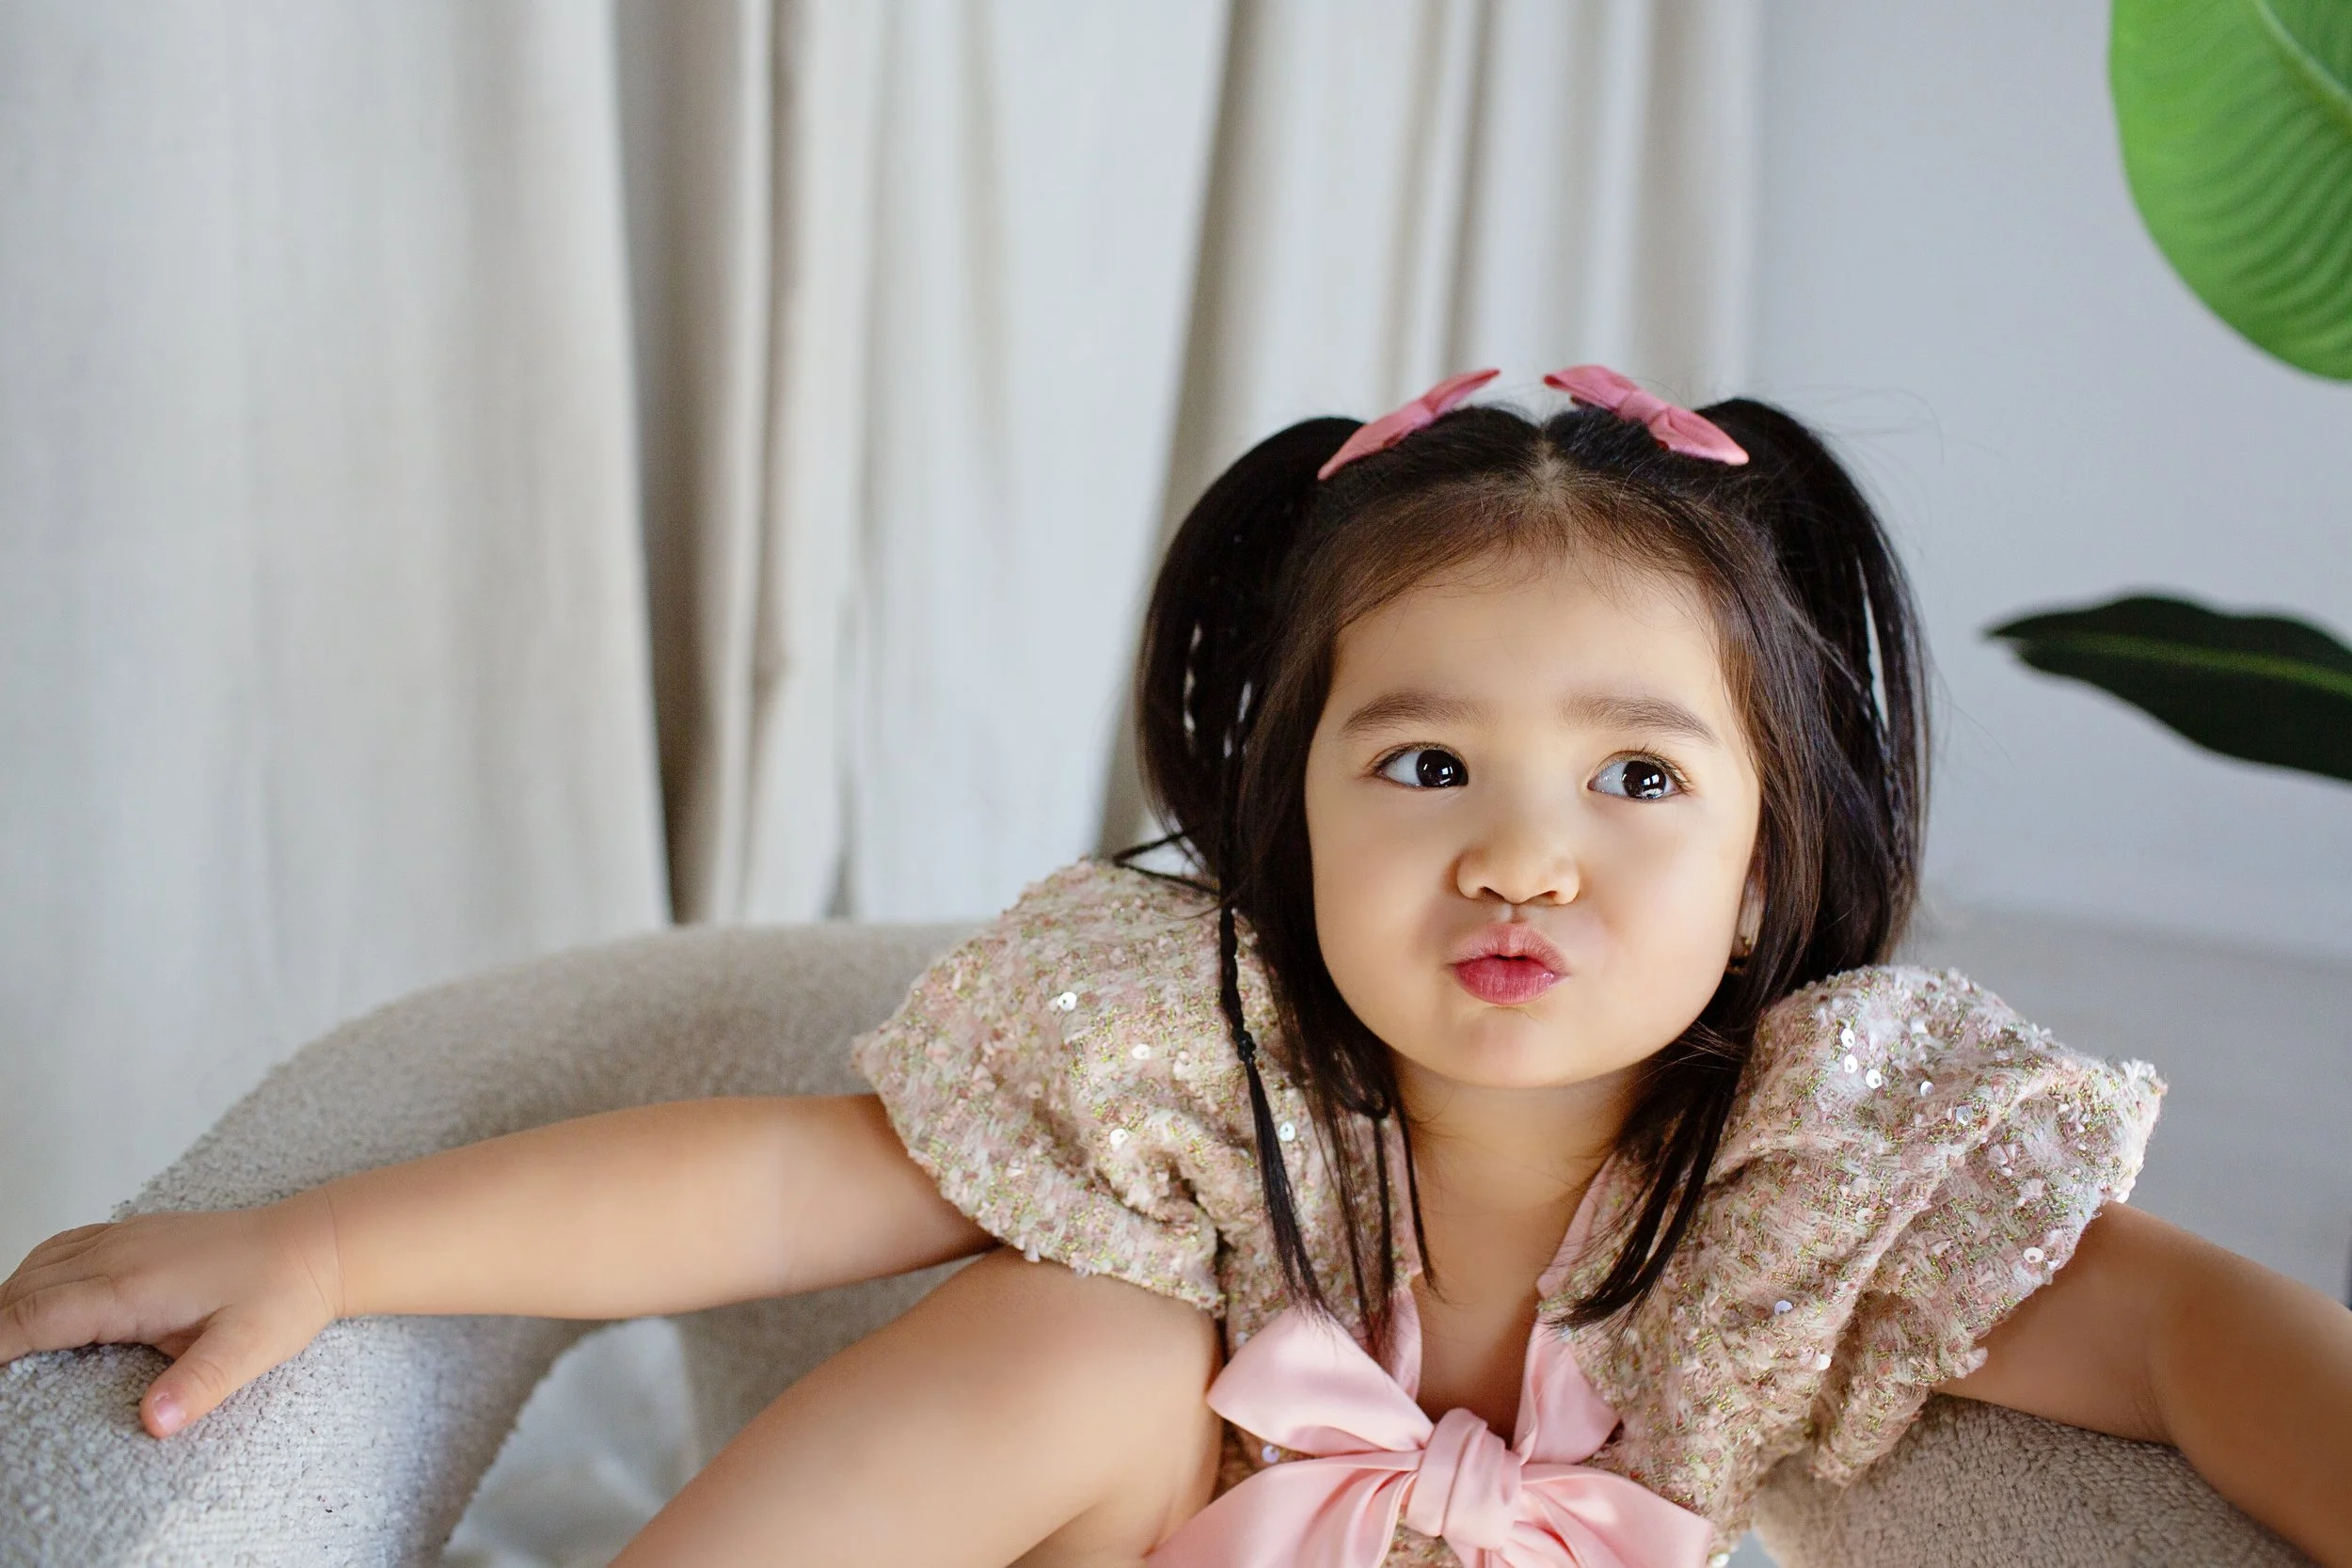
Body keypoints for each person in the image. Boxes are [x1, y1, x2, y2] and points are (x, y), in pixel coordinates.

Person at [5, 367, 2349, 1568]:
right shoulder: (1198, 1071)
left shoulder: (1797, 1185)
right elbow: (763, 1188)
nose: (1521, 852)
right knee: (1092, 1328)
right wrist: (331, 1236)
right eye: (1422, 764)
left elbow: (2171, 1321)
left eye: (1636, 781)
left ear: (1763, 866)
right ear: (1289, 815)